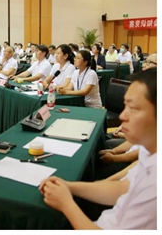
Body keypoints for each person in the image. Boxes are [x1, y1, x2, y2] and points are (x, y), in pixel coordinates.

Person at [39, 68, 156, 229]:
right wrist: (70, 186)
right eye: (125, 107)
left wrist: (66, 204)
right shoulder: (149, 152)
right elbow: (123, 188)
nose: (123, 116)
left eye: (133, 108)